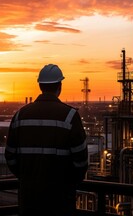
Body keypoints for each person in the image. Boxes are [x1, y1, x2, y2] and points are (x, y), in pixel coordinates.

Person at [5, 64, 88, 216]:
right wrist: (69, 184)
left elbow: (10, 156)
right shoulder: (70, 116)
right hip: (60, 201)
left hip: (29, 200)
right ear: (60, 86)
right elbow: (81, 160)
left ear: (40, 86)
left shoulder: (20, 115)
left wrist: (28, 177)